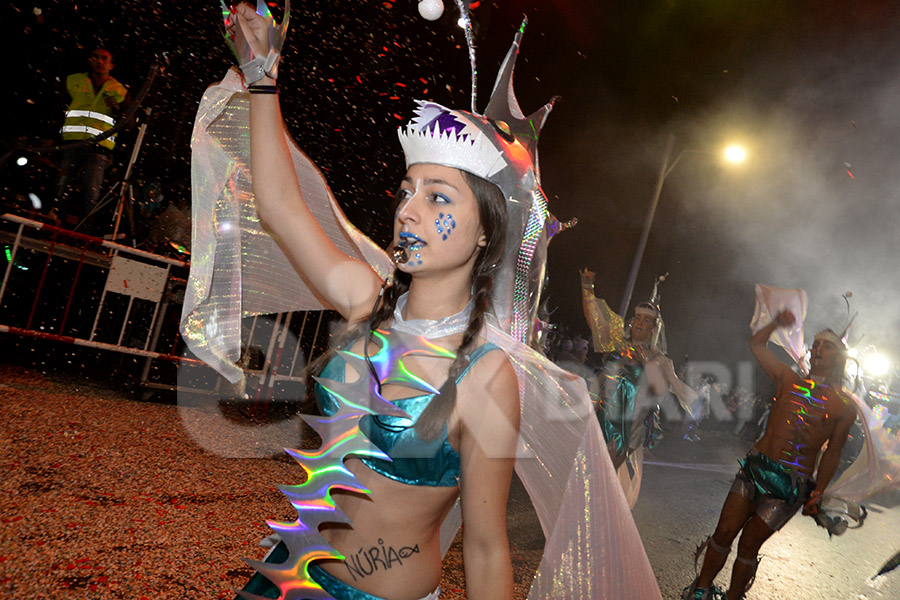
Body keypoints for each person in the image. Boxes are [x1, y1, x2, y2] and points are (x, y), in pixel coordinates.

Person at [181, 4, 661, 600]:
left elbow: (485, 547)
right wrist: (262, 80)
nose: (408, 210)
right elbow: (279, 207)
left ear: (485, 229)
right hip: (286, 581)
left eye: (438, 197)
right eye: (407, 191)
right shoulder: (365, 298)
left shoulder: (487, 376)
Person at [683, 310, 857, 600]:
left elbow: (833, 453)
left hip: (789, 486)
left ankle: (734, 597)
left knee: (749, 547)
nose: (817, 349)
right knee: (724, 532)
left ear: (838, 357)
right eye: (815, 345)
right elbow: (756, 345)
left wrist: (820, 491)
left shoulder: (844, 406)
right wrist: (776, 323)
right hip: (754, 471)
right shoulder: (789, 379)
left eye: (826, 346)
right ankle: (700, 591)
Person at [582, 269, 696, 505]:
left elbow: (661, 389)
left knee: (602, 473)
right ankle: (592, 514)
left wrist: (645, 362)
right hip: (600, 416)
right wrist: (587, 288)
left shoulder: (659, 359)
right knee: (591, 472)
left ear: (653, 329)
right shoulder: (617, 344)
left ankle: (592, 517)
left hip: (628, 428)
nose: (639, 324)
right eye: (638, 319)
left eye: (646, 322)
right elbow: (596, 322)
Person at [53, 47, 128, 226]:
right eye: (96, 57)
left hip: (98, 148)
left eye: (104, 58)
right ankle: (55, 222)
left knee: (91, 193)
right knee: (62, 186)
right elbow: (56, 109)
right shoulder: (74, 81)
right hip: (72, 143)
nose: (99, 61)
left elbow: (129, 122)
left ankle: (83, 231)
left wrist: (119, 109)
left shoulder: (119, 90)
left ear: (111, 65)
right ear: (89, 60)